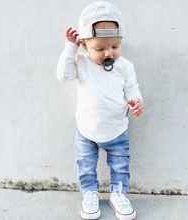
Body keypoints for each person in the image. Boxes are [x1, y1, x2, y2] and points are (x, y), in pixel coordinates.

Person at [56, 1, 144, 219]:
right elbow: (64, 76)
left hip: (116, 130)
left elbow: (132, 87)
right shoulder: (82, 61)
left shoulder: (125, 66)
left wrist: (136, 100)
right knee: (86, 167)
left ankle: (118, 194)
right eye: (100, 48)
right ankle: (89, 194)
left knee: (120, 166)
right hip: (86, 131)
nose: (109, 53)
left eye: (115, 46)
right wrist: (70, 48)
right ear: (86, 45)